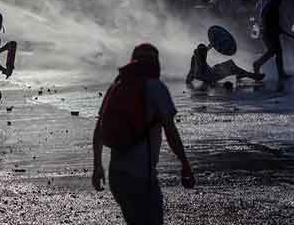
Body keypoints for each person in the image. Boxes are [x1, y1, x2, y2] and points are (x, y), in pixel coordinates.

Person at [92, 44, 195, 225]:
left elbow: (99, 130)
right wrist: (185, 164)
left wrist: (98, 166)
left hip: (117, 176)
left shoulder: (116, 87)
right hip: (141, 177)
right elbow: (171, 132)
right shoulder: (156, 88)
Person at [186, 43, 264, 88]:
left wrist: (212, 44)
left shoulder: (197, 56)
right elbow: (193, 72)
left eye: (205, 51)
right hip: (212, 76)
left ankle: (243, 74)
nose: (205, 53)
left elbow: (192, 72)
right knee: (232, 67)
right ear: (199, 51)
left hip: (212, 72)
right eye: (203, 51)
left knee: (230, 64)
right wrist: (189, 79)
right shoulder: (197, 60)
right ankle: (251, 75)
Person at [253, 0, 291, 79]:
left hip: (269, 32)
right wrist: (277, 29)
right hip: (269, 33)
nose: (281, 1)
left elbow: (272, 21)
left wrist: (278, 29)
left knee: (274, 51)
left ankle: (258, 64)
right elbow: (269, 21)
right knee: (276, 51)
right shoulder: (272, 7)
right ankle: (258, 64)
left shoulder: (269, 5)